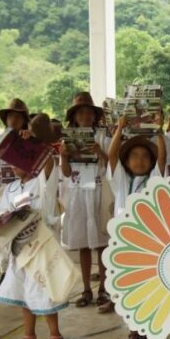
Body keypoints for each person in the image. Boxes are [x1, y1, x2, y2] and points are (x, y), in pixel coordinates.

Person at [0, 121, 66, 339]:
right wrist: (6, 218)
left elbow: (48, 166)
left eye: (20, 160)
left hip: (40, 245)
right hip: (19, 247)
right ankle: (29, 335)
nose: (15, 165)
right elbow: (0, 214)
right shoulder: (10, 189)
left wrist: (34, 144)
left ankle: (55, 334)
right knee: (24, 291)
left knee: (44, 289)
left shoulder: (41, 181)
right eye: (12, 161)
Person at [107, 114, 165, 339]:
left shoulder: (154, 179)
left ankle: (149, 328)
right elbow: (111, 157)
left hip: (150, 241)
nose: (139, 161)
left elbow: (162, 158)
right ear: (127, 161)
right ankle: (133, 330)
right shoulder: (122, 181)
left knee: (150, 285)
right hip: (125, 241)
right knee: (130, 286)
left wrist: (160, 132)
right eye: (134, 156)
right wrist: (119, 130)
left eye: (144, 157)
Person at [59, 92, 111, 312]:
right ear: (75, 116)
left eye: (89, 111)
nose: (85, 115)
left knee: (100, 241)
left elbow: (112, 163)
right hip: (78, 190)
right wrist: (63, 155)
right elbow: (66, 171)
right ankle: (87, 289)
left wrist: (100, 152)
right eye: (81, 112)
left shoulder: (102, 136)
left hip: (98, 188)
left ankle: (103, 289)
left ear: (94, 114)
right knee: (82, 242)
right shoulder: (67, 138)